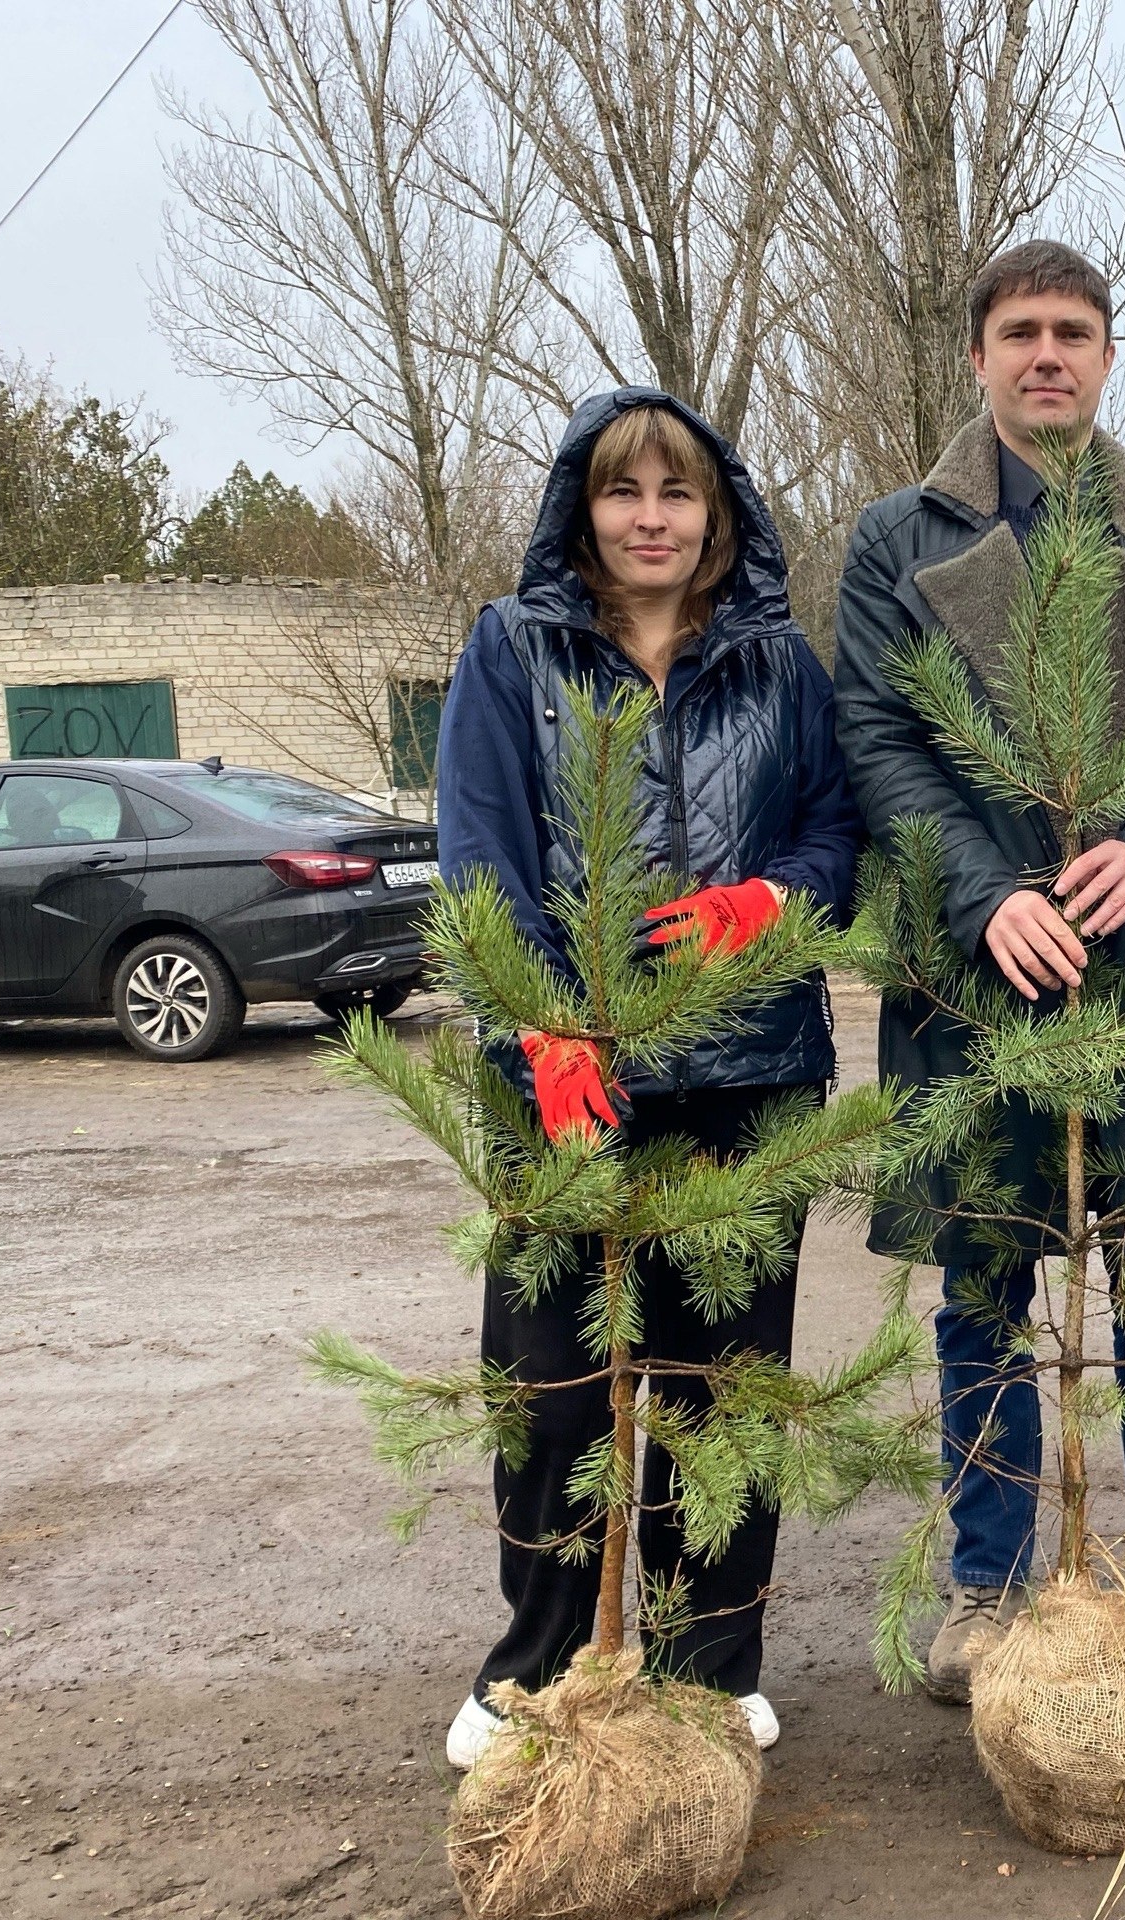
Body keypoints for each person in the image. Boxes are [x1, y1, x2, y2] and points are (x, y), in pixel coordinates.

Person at [832, 240, 1125, 1702]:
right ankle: (982, 1584)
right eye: (1019, 331)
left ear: (1105, 356)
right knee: (980, 1292)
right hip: (978, 983)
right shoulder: (899, 542)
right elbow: (878, 741)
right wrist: (978, 895)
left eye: (1073, 333)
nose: (1046, 356)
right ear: (978, 357)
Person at [434, 388, 863, 1765]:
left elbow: (834, 832)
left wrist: (772, 906)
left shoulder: (783, 667)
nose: (652, 519)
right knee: (556, 1386)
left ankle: (706, 1662)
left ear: (717, 511)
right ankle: (537, 1670)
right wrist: (542, 1028)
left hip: (746, 1075)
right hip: (573, 1080)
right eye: (626, 492)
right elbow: (481, 851)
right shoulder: (516, 654)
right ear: (584, 508)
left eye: (677, 494)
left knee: (722, 1387)